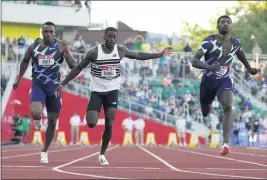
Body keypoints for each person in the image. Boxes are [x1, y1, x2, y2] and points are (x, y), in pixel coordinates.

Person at [55, 27, 173, 165]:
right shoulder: (94, 52)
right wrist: (62, 84)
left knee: (109, 123)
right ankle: (93, 115)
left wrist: (159, 54)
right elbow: (78, 68)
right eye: (109, 37)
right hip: (97, 90)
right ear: (104, 37)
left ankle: (102, 154)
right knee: (91, 123)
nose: (111, 39)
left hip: (112, 90)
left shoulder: (120, 50)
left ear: (116, 39)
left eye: (114, 37)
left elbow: (139, 55)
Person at [191, 15, 258, 156]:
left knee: (228, 106)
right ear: (217, 26)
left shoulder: (236, 43)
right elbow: (194, 61)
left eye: (228, 22)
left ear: (231, 26)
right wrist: (208, 66)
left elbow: (241, 55)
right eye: (222, 22)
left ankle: (226, 143)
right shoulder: (208, 42)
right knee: (204, 112)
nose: (225, 24)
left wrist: (250, 68)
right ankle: (208, 106)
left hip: (224, 80)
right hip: (208, 82)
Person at [12, 21, 75, 163]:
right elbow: (25, 61)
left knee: (52, 122)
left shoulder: (60, 45)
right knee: (35, 112)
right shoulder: (33, 46)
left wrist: (66, 52)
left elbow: (72, 65)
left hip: (54, 87)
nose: (48, 34)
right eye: (46, 31)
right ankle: (38, 118)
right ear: (42, 32)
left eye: (51, 32)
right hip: (38, 84)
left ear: (54, 33)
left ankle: (44, 152)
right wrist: (20, 79)